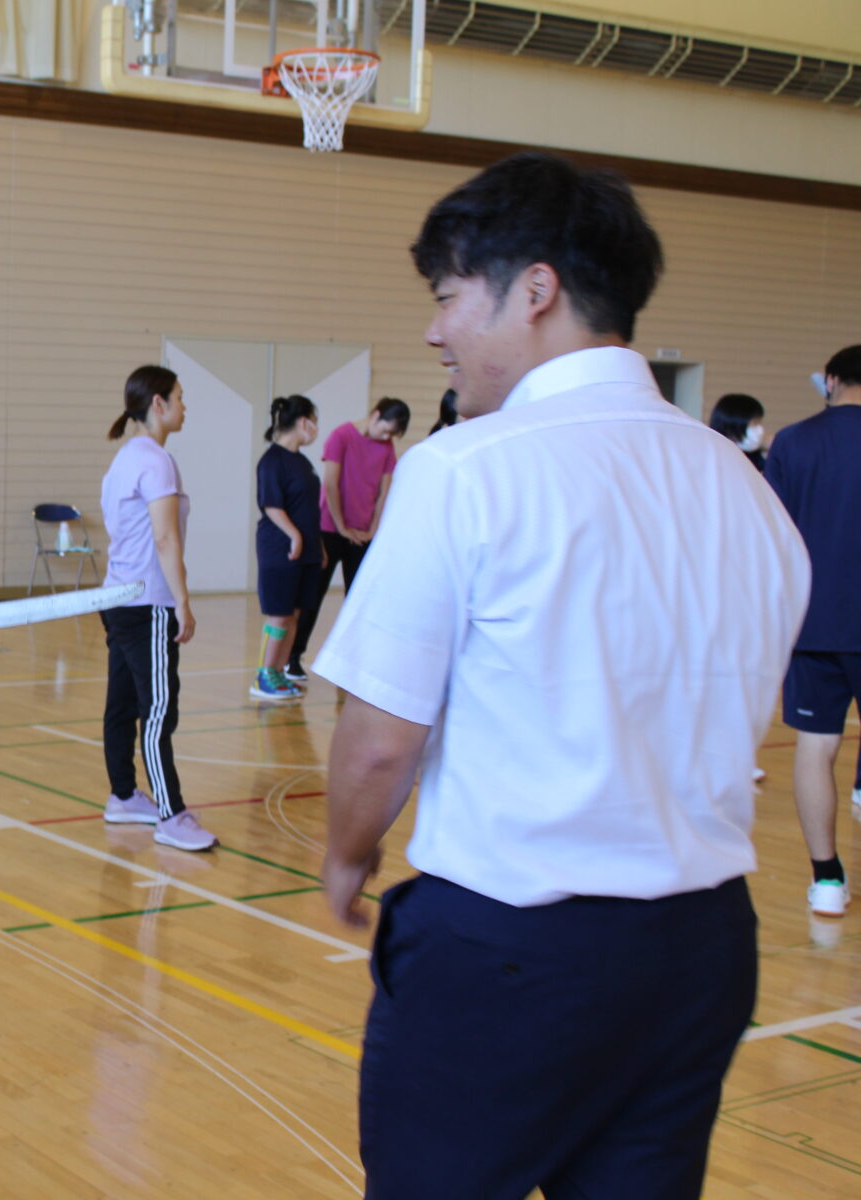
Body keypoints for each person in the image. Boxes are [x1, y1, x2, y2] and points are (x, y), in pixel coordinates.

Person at [314, 151, 808, 1199]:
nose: (434, 329)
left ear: (533, 289)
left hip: (510, 950)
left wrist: (347, 855)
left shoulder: (467, 469)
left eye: (448, 297)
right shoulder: (747, 489)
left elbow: (381, 735)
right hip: (702, 948)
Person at [97, 365, 217, 852]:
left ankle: (124, 796)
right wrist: (183, 603)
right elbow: (166, 539)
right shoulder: (155, 462)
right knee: (158, 710)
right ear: (159, 405)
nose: (185, 407)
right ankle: (171, 813)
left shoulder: (125, 459)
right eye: (181, 398)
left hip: (118, 599)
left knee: (123, 705)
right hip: (147, 603)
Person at [764, 345, 861, 918]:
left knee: (815, 746)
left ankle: (827, 879)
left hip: (812, 622)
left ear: (830, 380)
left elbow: (772, 535)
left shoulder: (793, 442)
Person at [286, 397, 409, 681]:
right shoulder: (341, 436)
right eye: (385, 430)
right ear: (375, 416)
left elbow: (383, 493)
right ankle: (292, 658)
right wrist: (341, 526)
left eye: (392, 435)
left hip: (363, 536)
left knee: (359, 599)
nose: (387, 437)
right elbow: (330, 484)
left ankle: (354, 659)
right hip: (330, 530)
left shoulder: (387, 448)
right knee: (312, 597)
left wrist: (372, 530)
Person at [251, 394, 321, 703]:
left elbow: (309, 508)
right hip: (279, 549)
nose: (317, 429)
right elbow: (271, 506)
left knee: (294, 616)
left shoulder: (303, 463)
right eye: (315, 422)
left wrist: (316, 543)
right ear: (304, 422)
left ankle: (279, 673)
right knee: (278, 615)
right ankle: (264, 675)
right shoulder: (272, 461)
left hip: (306, 550)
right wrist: (294, 535)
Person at [710, 392, 768, 470]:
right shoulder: (713, 457)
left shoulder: (755, 455)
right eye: (754, 423)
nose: (760, 430)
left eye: (759, 422)